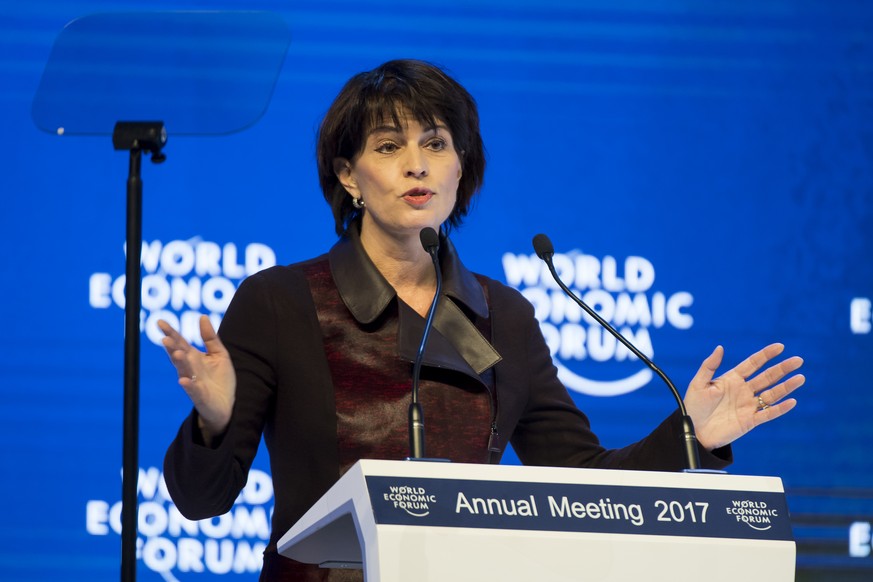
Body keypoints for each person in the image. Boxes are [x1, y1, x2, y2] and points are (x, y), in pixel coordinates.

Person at [158, 59, 805, 581]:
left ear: (460, 167)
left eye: (435, 144)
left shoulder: (503, 316)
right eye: (389, 146)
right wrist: (215, 422)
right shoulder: (282, 302)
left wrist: (688, 434)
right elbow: (200, 501)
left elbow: (577, 479)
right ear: (348, 175)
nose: (416, 164)